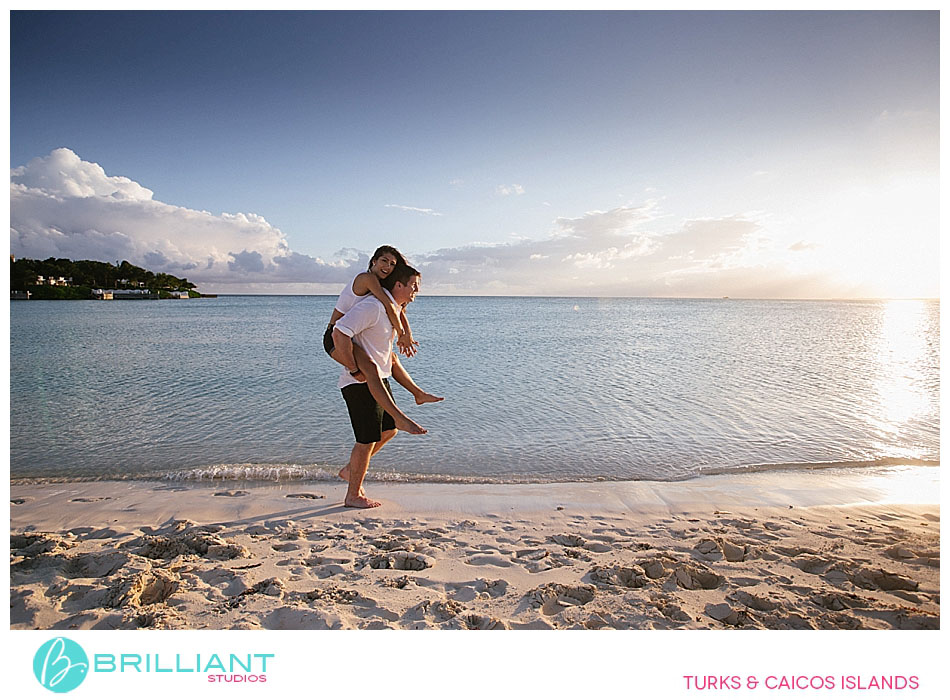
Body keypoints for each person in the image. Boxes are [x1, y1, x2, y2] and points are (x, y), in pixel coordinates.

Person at [332, 264, 442, 508]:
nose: (416, 291)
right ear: (398, 285)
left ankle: (351, 471)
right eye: (414, 286)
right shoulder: (371, 307)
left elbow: (390, 359)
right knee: (366, 440)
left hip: (380, 381)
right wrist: (354, 369)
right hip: (359, 383)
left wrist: (417, 392)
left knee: (388, 430)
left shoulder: (391, 312)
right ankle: (353, 495)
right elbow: (338, 333)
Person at [324, 246, 424, 434]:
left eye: (393, 264)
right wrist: (354, 369)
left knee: (390, 359)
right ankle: (399, 417)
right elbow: (388, 305)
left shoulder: (380, 285)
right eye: (384, 261)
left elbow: (398, 309)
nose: (388, 266)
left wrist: (406, 334)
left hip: (348, 335)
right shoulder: (367, 279)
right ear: (373, 262)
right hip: (334, 336)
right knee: (369, 369)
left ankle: (417, 394)